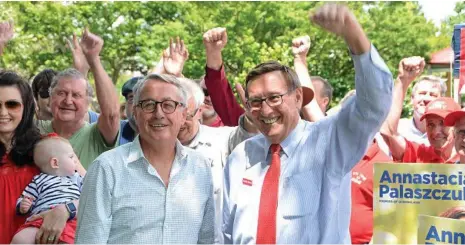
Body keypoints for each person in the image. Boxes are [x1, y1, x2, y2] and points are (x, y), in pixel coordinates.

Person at [223, 4, 393, 244]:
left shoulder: (328, 141)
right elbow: (228, 232)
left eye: (274, 97)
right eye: (256, 102)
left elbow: (374, 104)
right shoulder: (241, 157)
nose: (266, 109)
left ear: (298, 98)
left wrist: (354, 36)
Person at [75, 74, 215, 244]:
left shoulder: (199, 167)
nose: (159, 113)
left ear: (184, 113)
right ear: (135, 111)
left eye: (169, 105)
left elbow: (206, 239)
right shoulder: (107, 168)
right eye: (149, 105)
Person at [0, 21, 73, 244]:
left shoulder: (49, 146)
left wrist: (65, 209)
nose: (3, 112)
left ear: (26, 107)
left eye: (12, 104)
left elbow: (91, 187)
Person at [37, 29, 120, 169]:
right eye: (61, 93)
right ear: (51, 97)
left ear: (88, 102)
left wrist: (94, 60)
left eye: (76, 95)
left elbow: (111, 115)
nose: (68, 101)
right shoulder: (35, 131)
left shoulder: (96, 135)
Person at [381, 57, 460, 163]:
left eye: (443, 123)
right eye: (430, 125)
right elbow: (388, 131)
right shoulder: (420, 154)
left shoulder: (462, 158)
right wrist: (403, 80)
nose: (436, 131)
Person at [11, 135, 85, 244]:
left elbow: (91, 194)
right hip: (41, 218)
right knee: (20, 239)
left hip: (71, 219)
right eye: (71, 157)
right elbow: (26, 197)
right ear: (55, 163)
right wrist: (23, 205)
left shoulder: (76, 178)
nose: (76, 160)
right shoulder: (38, 180)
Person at [397, 75, 446, 146]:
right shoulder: (398, 129)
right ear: (412, 98)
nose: (426, 98)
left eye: (433, 95)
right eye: (422, 93)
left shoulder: (448, 134)